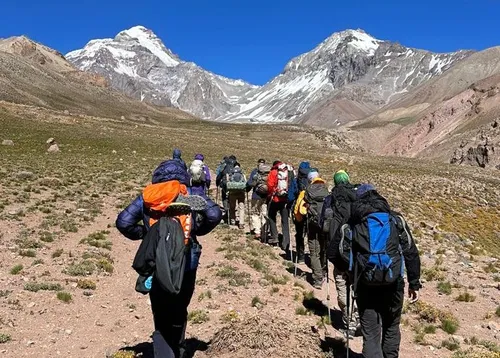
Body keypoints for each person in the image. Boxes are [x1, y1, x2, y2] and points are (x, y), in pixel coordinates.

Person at [116, 158, 222, 358]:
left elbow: (123, 222)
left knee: (161, 309)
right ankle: (179, 348)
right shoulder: (187, 193)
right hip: (187, 259)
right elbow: (214, 214)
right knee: (180, 306)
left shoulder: (148, 196)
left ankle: (164, 350)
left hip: (157, 261)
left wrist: (147, 234)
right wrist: (196, 230)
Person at [337, 183, 421, 358]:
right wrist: (414, 282)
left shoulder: (352, 223)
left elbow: (336, 251)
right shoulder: (395, 220)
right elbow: (411, 252)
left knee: (371, 334)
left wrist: (349, 271)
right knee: (391, 326)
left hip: (364, 283)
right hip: (393, 282)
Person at [322, 170, 360, 335]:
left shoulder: (330, 199)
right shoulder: (358, 198)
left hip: (338, 251)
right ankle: (360, 316)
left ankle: (349, 321)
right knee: (358, 284)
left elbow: (323, 225)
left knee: (342, 283)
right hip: (357, 250)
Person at [295, 169, 329, 288]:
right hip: (325, 224)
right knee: (323, 249)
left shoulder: (306, 191)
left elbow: (299, 210)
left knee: (314, 252)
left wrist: (299, 221)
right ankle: (324, 271)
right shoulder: (326, 190)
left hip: (312, 225)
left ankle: (317, 279)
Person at [267, 160, 291, 249]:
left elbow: (270, 185)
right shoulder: (288, 172)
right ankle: (286, 242)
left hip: (275, 199)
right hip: (285, 200)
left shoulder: (273, 172)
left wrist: (270, 195)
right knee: (285, 221)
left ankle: (275, 237)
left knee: (271, 216)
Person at [246, 158, 270, 240]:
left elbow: (249, 183)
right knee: (264, 213)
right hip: (266, 196)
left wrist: (247, 189)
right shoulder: (268, 173)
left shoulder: (255, 172)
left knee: (255, 213)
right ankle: (264, 230)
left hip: (256, 196)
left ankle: (257, 231)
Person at [292, 161, 311, 262]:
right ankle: (313, 257)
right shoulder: (311, 180)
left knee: (299, 233)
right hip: (310, 209)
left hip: (299, 209)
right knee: (311, 234)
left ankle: (301, 256)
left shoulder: (296, 180)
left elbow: (292, 194)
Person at [226, 164, 247, 229]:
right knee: (241, 207)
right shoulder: (242, 174)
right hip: (241, 193)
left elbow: (227, 182)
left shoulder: (230, 174)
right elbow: (245, 182)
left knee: (232, 207)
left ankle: (233, 221)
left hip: (232, 193)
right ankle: (241, 223)